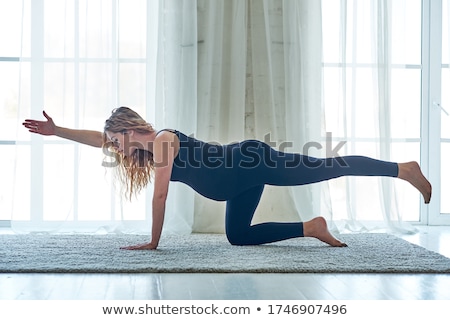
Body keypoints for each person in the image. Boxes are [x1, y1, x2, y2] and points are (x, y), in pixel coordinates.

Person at [23, 107, 432, 250]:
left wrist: (153, 241)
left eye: (117, 140)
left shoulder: (163, 141)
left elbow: (160, 198)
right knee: (239, 236)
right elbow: (98, 139)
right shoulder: (144, 146)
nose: (114, 148)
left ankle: (403, 169)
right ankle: (311, 227)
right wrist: (58, 131)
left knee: (327, 167)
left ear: (130, 130)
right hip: (238, 182)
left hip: (251, 162)